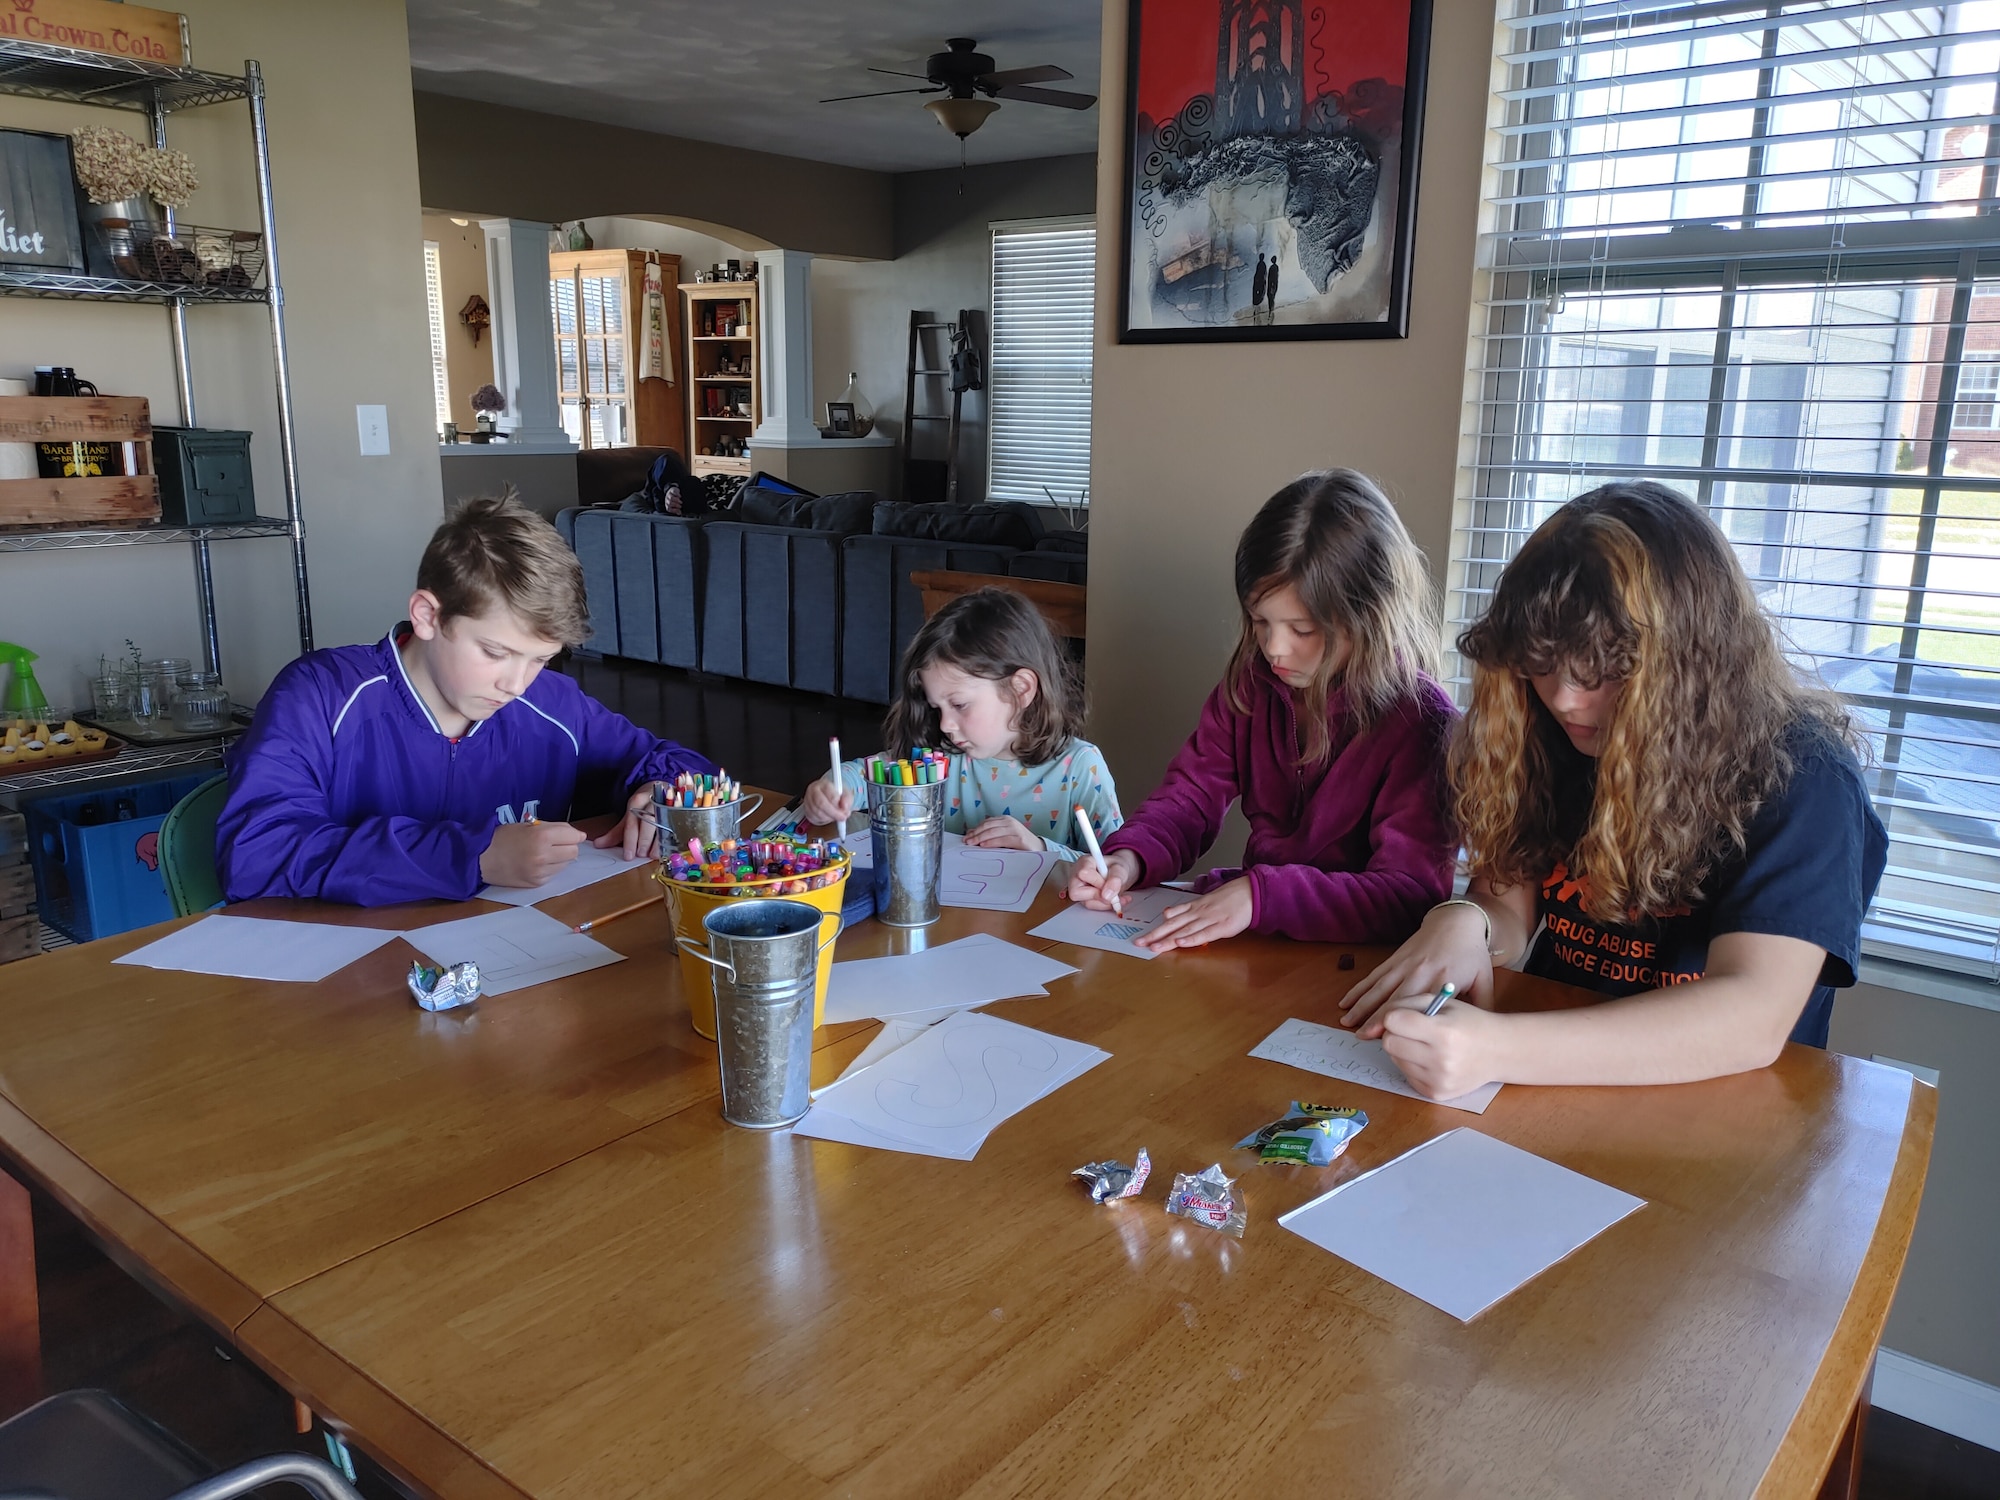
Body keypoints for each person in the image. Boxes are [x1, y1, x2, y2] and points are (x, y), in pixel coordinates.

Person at [1342, 481, 1887, 1098]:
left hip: (1715, 1111)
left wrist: (1496, 1049)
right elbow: (1509, 910)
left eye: (1602, 672)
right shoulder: (1552, 733)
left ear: (1688, 666)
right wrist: (1466, 921)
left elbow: (1752, 1016)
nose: (1565, 698)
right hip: (1550, 1085)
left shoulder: (1804, 775)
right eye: (1542, 665)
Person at [216, 494, 714, 905]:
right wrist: (471, 857)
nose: (517, 685)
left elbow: (679, 767)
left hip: (513, 975)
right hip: (338, 990)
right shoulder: (318, 696)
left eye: (541, 658)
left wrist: (662, 791)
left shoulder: (552, 703)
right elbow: (256, 855)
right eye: (495, 652)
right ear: (428, 616)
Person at [1067, 469, 1456, 950]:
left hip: (1357, 966)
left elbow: (1409, 896)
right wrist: (1130, 859)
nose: (1274, 648)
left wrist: (1260, 895)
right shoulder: (1252, 685)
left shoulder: (1422, 722)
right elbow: (1189, 798)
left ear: (1371, 615)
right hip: (1262, 945)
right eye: (1259, 621)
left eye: (1304, 629)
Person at [798, 587, 1120, 858]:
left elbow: (1114, 869)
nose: (946, 724)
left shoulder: (1080, 768)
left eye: (960, 704)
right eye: (937, 707)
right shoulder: (941, 758)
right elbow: (868, 776)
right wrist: (830, 791)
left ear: (1021, 689)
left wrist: (1040, 849)